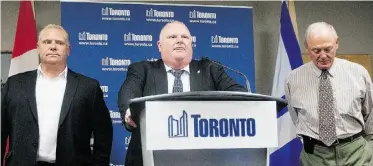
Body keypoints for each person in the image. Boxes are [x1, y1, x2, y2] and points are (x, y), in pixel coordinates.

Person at [117, 20, 248, 166]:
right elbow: (128, 91)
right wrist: (129, 110)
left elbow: (239, 93)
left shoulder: (210, 69)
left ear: (191, 44)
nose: (179, 40)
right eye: (172, 37)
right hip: (150, 157)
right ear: (159, 46)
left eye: (185, 37)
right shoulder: (143, 69)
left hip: (202, 158)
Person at [1, 24, 113, 166]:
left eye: (59, 43)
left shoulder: (89, 87)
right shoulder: (15, 84)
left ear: (68, 50)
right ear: (38, 47)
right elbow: (1, 129)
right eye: (47, 42)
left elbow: (103, 134)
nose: (53, 47)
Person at [285, 22, 373, 166]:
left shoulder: (358, 73)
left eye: (328, 49)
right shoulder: (292, 80)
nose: (323, 56)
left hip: (356, 154)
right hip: (314, 157)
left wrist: (370, 148)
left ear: (337, 43)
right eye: (316, 50)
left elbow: (371, 114)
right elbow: (295, 117)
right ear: (306, 46)